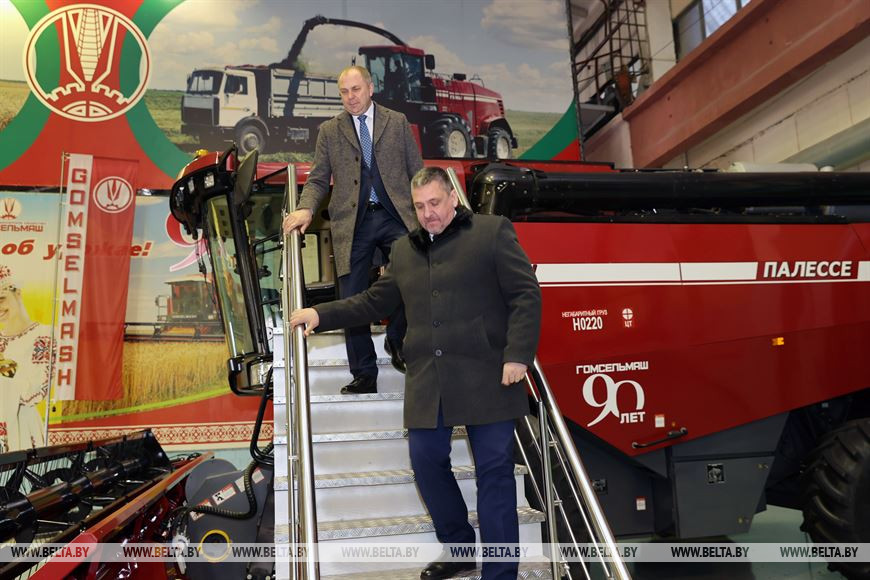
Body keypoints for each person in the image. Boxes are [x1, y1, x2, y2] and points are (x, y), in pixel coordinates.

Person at [290, 167, 542, 580]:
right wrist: (321, 313)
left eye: (435, 203)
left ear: (453, 198)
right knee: (425, 462)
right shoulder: (404, 251)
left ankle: (500, 573)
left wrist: (517, 355)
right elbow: (374, 302)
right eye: (420, 206)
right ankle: (460, 548)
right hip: (430, 380)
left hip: (490, 376)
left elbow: (525, 294)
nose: (428, 213)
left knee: (494, 476)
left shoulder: (492, 232)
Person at [282, 65, 423, 395]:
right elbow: (318, 179)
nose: (351, 97)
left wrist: (428, 211)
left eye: (356, 90)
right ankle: (364, 373)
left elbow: (416, 171)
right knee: (352, 295)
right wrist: (306, 208)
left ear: (370, 88)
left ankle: (397, 339)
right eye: (344, 92)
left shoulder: (397, 122)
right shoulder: (330, 131)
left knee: (413, 274)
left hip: (395, 216)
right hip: (353, 223)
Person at [0, 264, 53, 452]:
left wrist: (3, 365)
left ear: (18, 293)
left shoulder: (42, 336)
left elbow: (32, 393)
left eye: (1, 299)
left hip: (21, 430)